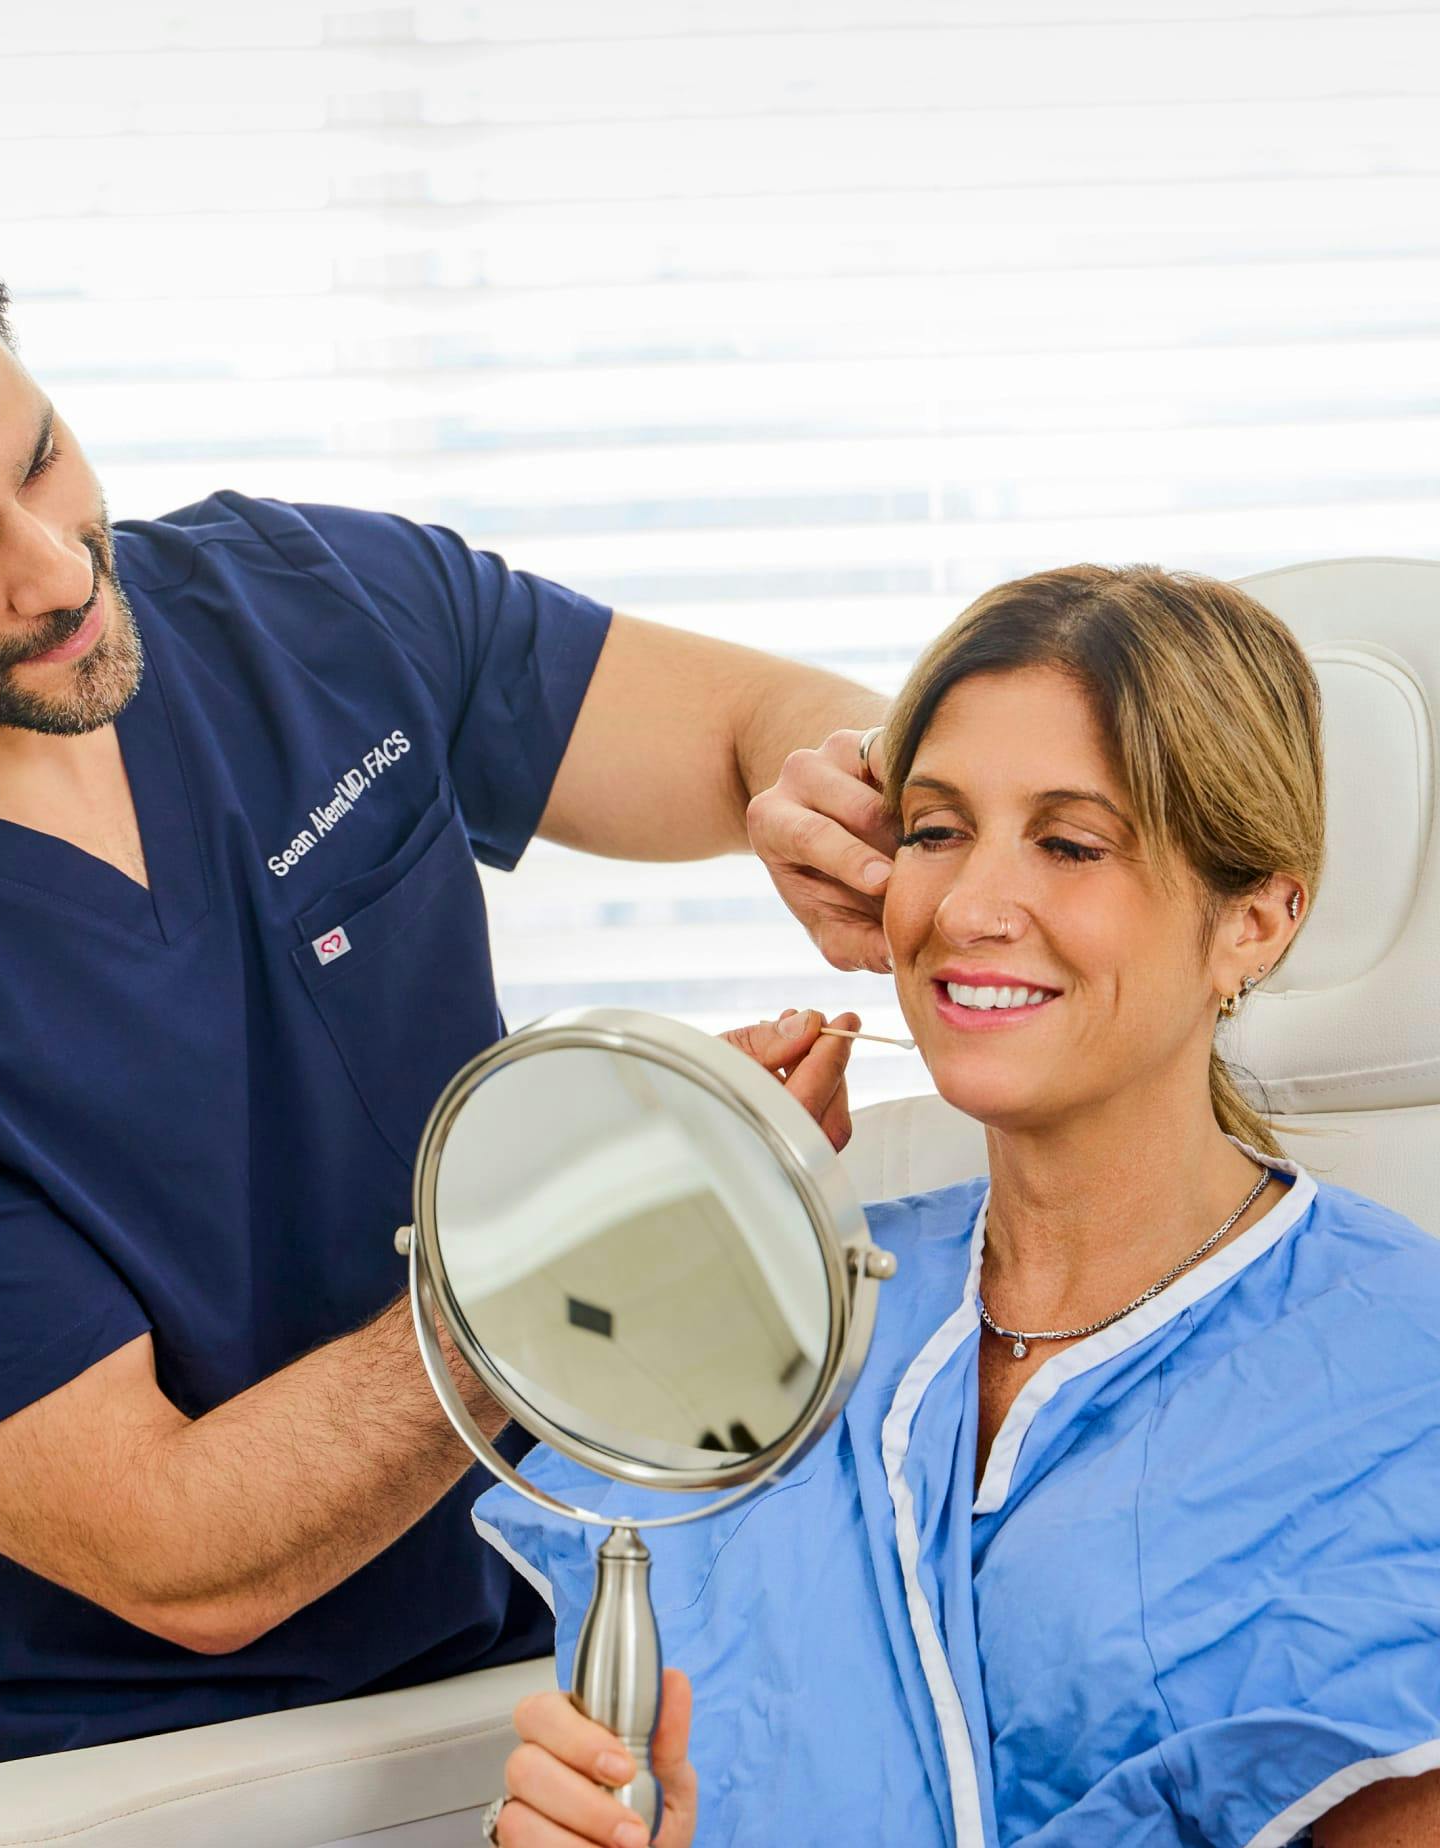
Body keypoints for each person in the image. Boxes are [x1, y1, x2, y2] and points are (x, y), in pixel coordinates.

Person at [0, 170, 883, 1787]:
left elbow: (751, 727)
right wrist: (583, 1252)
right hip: (183, 1772)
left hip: (554, 1684)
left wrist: (841, 794)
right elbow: (190, 1553)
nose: (57, 568)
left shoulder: (307, 607)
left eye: (44, 457)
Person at [480, 565, 1440, 1845]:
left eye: (1070, 842)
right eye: (934, 831)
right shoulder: (780, 1314)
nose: (973, 906)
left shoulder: (1397, 1372)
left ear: (1255, 921)